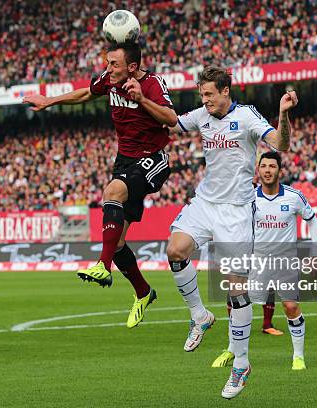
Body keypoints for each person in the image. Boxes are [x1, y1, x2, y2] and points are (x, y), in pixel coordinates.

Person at [23, 42, 177, 328]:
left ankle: (102, 266)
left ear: (132, 67)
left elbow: (172, 119)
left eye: (114, 64)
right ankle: (143, 292)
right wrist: (48, 101)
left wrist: (142, 99)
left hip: (153, 158)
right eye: (108, 63)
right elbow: (85, 93)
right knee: (117, 242)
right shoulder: (110, 80)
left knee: (112, 192)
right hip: (125, 161)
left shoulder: (153, 83)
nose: (108, 69)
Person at [164, 65, 297, 389]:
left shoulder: (248, 117)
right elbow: (172, 121)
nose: (204, 99)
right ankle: (199, 315)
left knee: (235, 290)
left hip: (237, 212)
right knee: (175, 250)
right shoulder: (202, 115)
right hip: (206, 204)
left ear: (226, 91)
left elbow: (281, 144)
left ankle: (241, 364)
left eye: (209, 94)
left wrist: (282, 114)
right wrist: (140, 98)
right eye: (202, 95)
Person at [220, 151, 317, 399]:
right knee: (235, 305)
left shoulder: (294, 196)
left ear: (280, 171)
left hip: (285, 260)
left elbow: (313, 220)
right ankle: (232, 349)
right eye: (263, 166)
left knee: (289, 306)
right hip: (256, 261)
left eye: (272, 166)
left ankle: (298, 356)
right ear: (259, 170)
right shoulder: (249, 198)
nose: (267, 170)